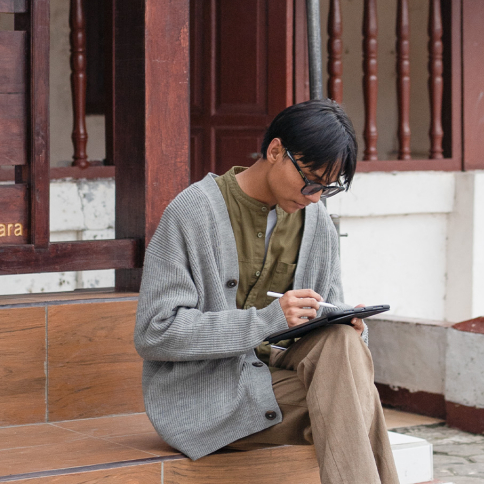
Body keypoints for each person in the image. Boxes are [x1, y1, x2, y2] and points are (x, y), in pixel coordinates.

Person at [134, 100, 399, 484]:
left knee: (342, 340)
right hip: (205, 395)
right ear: (275, 152)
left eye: (327, 188)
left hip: (275, 377)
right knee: (355, 404)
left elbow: (325, 312)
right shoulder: (193, 212)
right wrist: (266, 321)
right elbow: (154, 333)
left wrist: (348, 323)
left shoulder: (317, 224)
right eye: (310, 180)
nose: (314, 196)